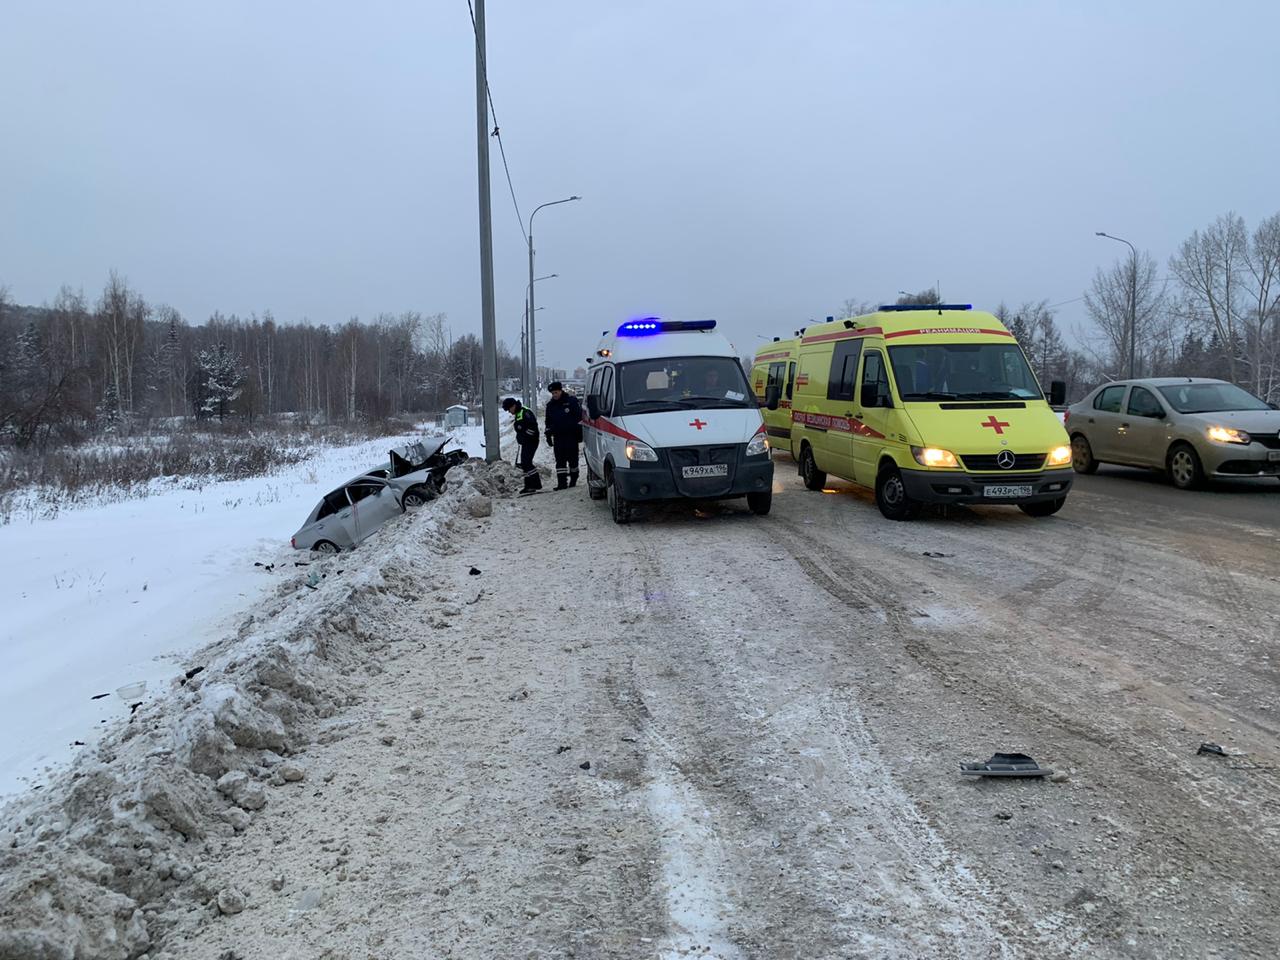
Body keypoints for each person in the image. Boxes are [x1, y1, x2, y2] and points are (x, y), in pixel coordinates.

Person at [543, 381, 583, 490]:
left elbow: (579, 418)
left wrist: (579, 433)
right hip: (558, 437)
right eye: (553, 393)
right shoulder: (550, 405)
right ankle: (562, 483)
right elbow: (548, 421)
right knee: (560, 460)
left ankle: (574, 479)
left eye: (556, 392)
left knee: (573, 460)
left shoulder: (571, 401)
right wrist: (548, 435)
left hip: (571, 436)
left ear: (561, 390)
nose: (554, 395)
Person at [502, 396, 542, 494]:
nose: (509, 412)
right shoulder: (519, 413)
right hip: (526, 442)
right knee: (524, 463)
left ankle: (535, 484)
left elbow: (533, 428)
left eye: (509, 409)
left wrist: (524, 436)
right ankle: (528, 486)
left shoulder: (525, 412)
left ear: (513, 406)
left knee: (526, 462)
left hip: (531, 442)